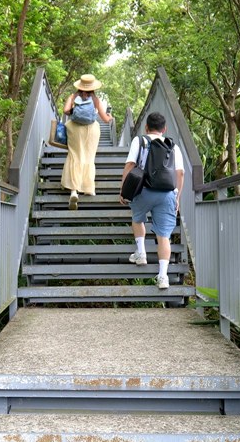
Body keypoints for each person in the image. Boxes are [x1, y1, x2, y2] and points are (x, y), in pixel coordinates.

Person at [119, 112, 184, 289]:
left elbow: (130, 165)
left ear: (146, 127)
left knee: (137, 218)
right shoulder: (173, 146)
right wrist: (176, 196)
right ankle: (163, 277)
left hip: (143, 190)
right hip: (167, 194)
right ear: (165, 129)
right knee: (164, 236)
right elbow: (180, 173)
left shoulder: (139, 141)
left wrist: (123, 189)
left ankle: (141, 253)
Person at [62, 74, 113, 210]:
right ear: (93, 87)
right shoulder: (95, 99)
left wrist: (75, 110)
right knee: (89, 158)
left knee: (75, 156)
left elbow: (65, 110)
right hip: (91, 129)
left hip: (74, 128)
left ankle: (74, 191)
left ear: (80, 86)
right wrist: (110, 117)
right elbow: (105, 119)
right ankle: (88, 188)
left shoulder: (73, 97)